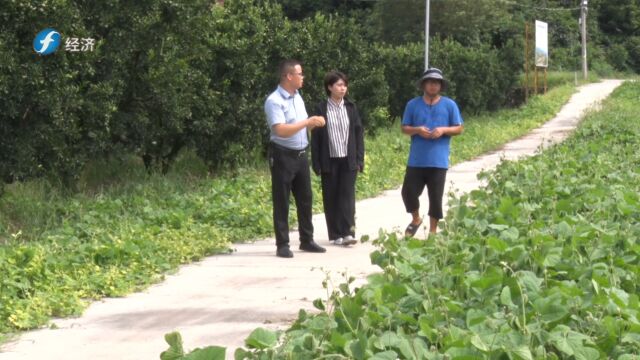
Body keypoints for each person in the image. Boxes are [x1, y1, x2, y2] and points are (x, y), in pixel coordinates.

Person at [264, 59, 327, 258]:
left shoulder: (297, 97)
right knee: (282, 200)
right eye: (300, 74)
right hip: (283, 154)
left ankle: (306, 240)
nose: (303, 77)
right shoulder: (274, 101)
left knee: (305, 198)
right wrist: (307, 122)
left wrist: (313, 123)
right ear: (289, 76)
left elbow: (299, 125)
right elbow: (280, 130)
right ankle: (282, 244)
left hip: (301, 154)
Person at [400, 68, 463, 237]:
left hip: (438, 160)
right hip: (416, 160)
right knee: (408, 192)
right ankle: (416, 219)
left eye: (437, 83)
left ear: (441, 86)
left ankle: (433, 232)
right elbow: (404, 128)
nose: (433, 85)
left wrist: (443, 130)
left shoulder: (450, 105)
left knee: (435, 198)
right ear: (424, 85)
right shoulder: (412, 104)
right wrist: (417, 130)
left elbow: (459, 128)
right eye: (430, 82)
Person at [311, 71, 364, 246]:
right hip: (329, 159)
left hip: (348, 159)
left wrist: (359, 159)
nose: (343, 88)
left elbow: (358, 134)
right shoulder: (321, 108)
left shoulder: (351, 107)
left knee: (347, 196)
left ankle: (348, 232)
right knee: (331, 196)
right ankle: (335, 234)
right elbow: (316, 137)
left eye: (344, 85)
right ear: (329, 87)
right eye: (339, 85)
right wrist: (316, 162)